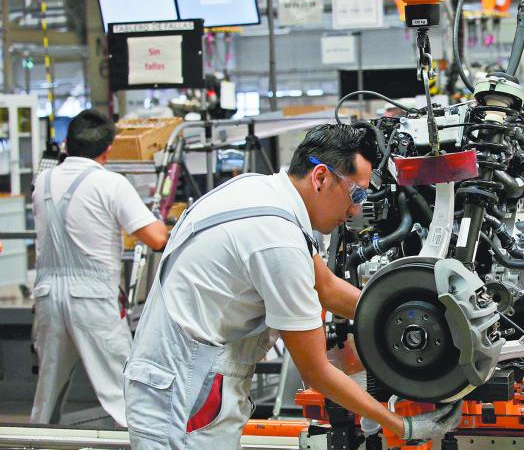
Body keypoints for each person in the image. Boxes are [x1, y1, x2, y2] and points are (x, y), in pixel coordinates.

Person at [124, 123, 461, 449]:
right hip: (184, 395)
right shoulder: (277, 241)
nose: (356, 209)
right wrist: (400, 425)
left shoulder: (262, 193)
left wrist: (412, 314)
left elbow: (327, 287)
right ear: (321, 177)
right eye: (355, 193)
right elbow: (316, 371)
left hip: (181, 380)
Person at [30, 109, 169, 426]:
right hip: (92, 298)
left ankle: (35, 443)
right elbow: (155, 237)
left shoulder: (43, 181)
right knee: (123, 389)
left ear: (66, 144)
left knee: (48, 392)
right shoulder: (110, 184)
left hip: (48, 296)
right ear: (108, 149)